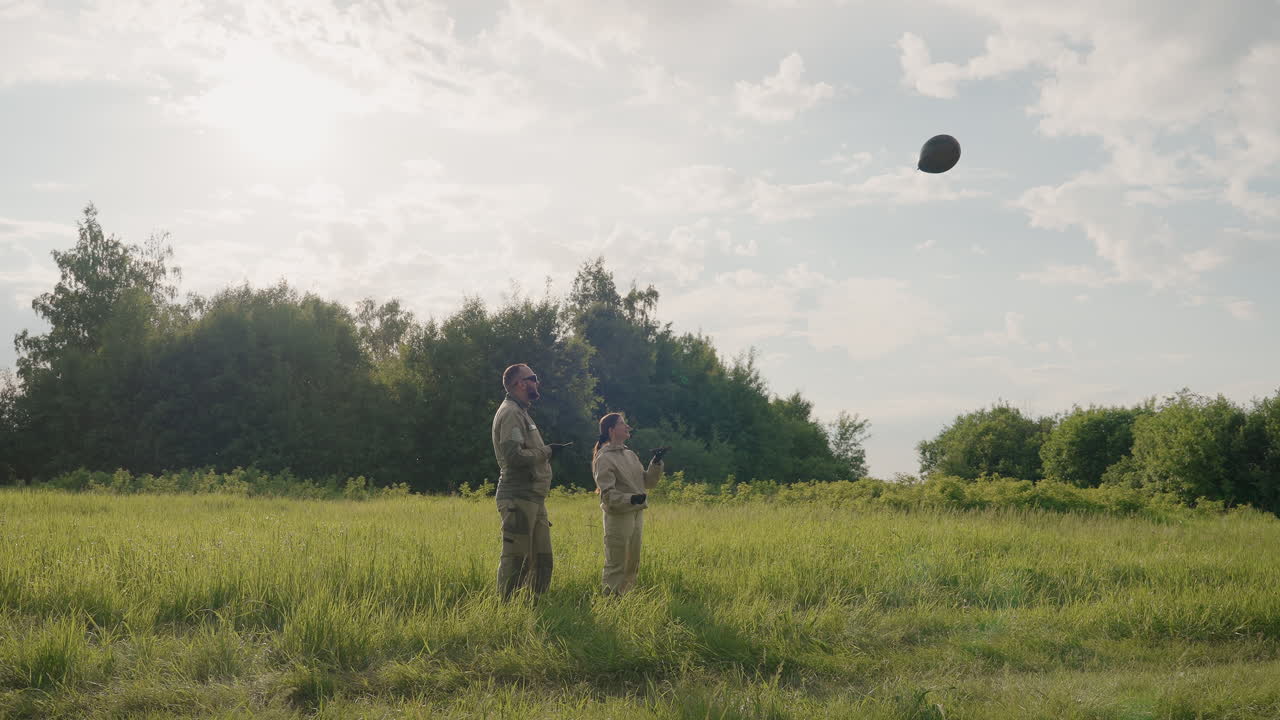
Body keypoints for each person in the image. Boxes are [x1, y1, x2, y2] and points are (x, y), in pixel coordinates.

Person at [491, 363, 571, 599]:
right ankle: (505, 613)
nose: (538, 382)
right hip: (518, 496)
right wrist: (547, 451)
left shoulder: (521, 412)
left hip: (533, 497)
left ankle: (536, 607)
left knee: (542, 559)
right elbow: (513, 456)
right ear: (520, 383)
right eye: (533, 377)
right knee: (516, 559)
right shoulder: (511, 413)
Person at [592, 412, 669, 596]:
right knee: (616, 562)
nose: (628, 427)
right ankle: (610, 602)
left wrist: (656, 462)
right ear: (611, 430)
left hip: (636, 514)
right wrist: (631, 499)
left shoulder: (630, 454)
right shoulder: (604, 458)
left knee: (632, 562)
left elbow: (648, 482)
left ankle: (625, 599)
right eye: (622, 424)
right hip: (618, 517)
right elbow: (608, 495)